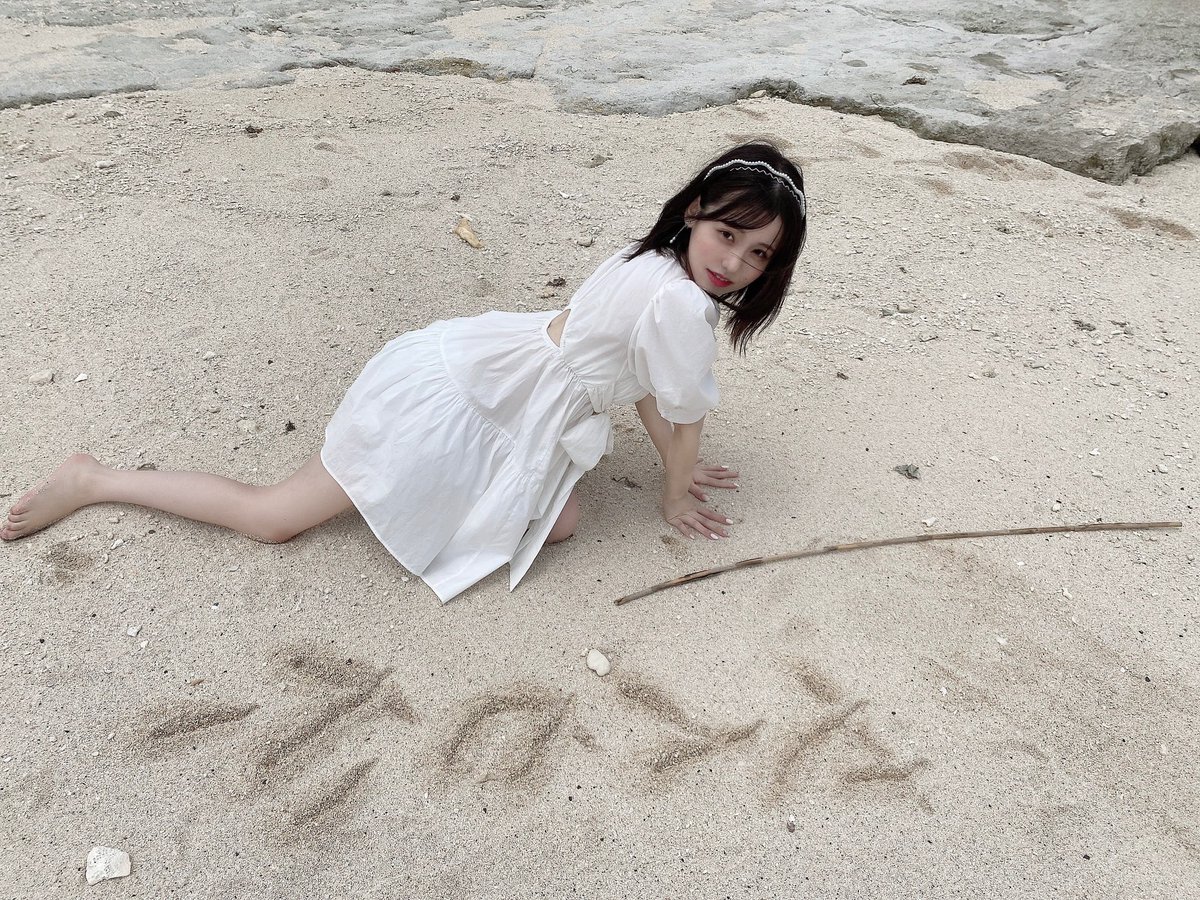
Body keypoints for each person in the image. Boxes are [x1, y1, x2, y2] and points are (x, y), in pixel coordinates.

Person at [3, 142, 808, 603]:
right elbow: (681, 409)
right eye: (727, 235)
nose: (734, 263)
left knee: (559, 523)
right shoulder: (683, 305)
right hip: (465, 405)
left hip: (495, 382)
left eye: (758, 253)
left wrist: (678, 463)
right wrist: (675, 490)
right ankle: (94, 479)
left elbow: (649, 386)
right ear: (695, 212)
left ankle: (434, 486)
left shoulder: (654, 257)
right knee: (275, 517)